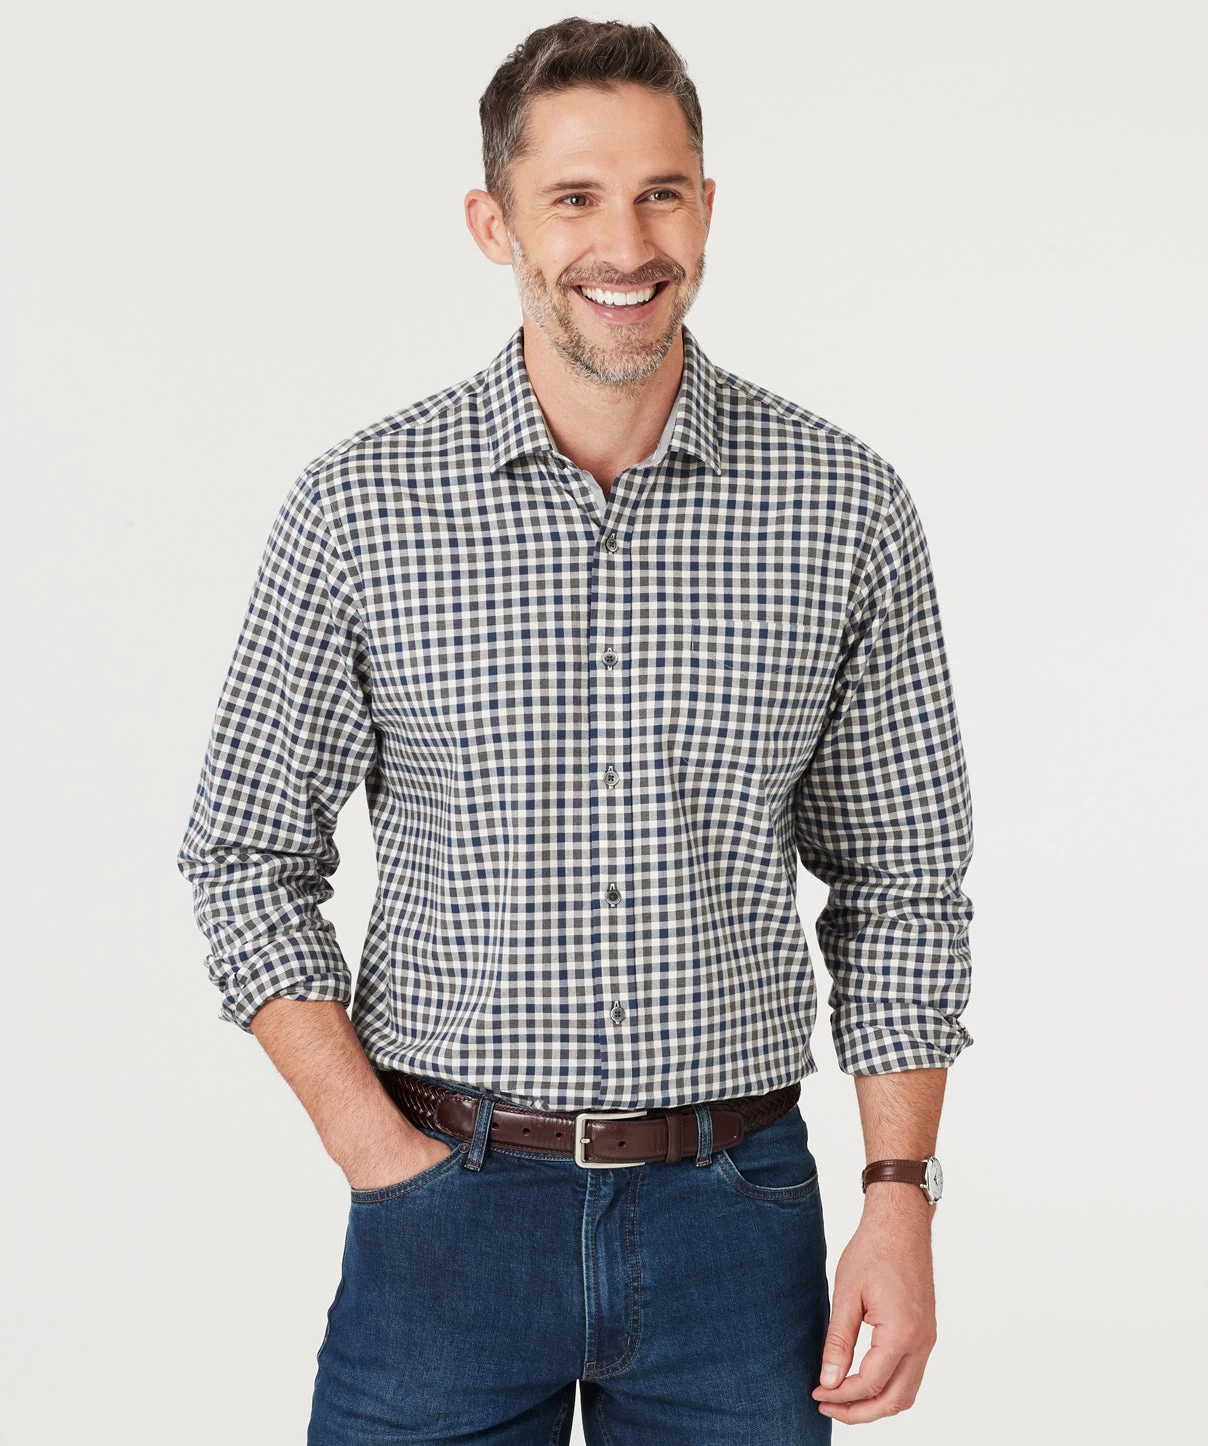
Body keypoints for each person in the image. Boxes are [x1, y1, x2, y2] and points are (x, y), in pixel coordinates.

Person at [176, 17, 974, 1444]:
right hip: (448, 1206)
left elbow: (901, 879)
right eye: (575, 198)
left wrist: (898, 1199)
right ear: (494, 224)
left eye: (661, 193)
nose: (626, 243)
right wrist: (379, 1157)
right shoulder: (361, 509)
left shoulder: (844, 507)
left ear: (708, 209)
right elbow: (244, 857)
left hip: (738, 1222)